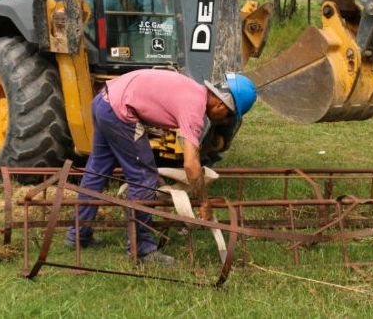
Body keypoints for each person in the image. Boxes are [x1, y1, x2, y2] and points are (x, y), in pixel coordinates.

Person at [65, 69, 257, 265]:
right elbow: (191, 165)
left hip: (104, 101)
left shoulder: (194, 90)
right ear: (221, 103)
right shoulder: (194, 109)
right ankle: (141, 250)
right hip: (120, 110)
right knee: (144, 177)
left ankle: (78, 235)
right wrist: (203, 202)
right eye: (228, 115)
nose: (225, 120)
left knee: (97, 171)